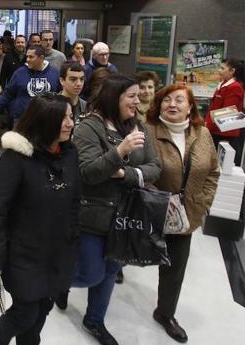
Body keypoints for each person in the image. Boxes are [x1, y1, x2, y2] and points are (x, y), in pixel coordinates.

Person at [69, 74, 161, 345]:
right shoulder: (88, 127)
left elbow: (155, 168)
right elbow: (87, 172)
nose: (138, 100)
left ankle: (94, 320)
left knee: (111, 271)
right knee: (91, 273)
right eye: (131, 96)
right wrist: (119, 150)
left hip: (126, 217)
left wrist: (124, 174)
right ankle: (58, 284)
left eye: (138, 95)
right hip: (93, 216)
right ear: (113, 97)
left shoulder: (137, 126)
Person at [0, 94, 79, 345]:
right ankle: (0, 335)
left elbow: (74, 201)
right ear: (45, 121)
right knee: (25, 313)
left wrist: (72, 236)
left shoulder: (70, 154)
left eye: (71, 117)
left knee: (43, 310)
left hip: (57, 251)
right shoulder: (16, 159)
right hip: (23, 255)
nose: (70, 123)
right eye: (63, 118)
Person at [146, 84, 219, 343]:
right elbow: (138, 167)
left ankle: (165, 313)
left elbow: (212, 172)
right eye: (167, 100)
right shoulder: (148, 130)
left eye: (179, 100)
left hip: (185, 216)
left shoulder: (202, 134)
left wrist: (203, 203)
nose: (172, 104)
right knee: (124, 254)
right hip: (151, 210)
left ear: (191, 106)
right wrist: (155, 199)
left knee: (175, 268)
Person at [0, 45, 59, 126]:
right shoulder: (19, 73)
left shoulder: (54, 74)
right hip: (21, 119)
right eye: (27, 56)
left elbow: (59, 96)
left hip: (45, 120)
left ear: (41, 58)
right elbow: (8, 93)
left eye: (31, 57)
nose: (27, 59)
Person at [205, 57, 245, 152]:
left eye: (222, 68)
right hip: (215, 130)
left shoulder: (235, 87)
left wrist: (207, 125)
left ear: (232, 71)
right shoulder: (223, 84)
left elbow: (228, 112)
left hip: (224, 133)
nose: (219, 71)